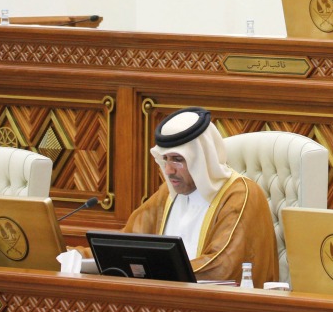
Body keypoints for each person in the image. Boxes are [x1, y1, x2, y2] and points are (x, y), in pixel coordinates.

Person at [111, 107, 278, 286]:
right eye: (165, 159)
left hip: (223, 309)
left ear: (201, 157)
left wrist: (156, 271)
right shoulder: (169, 194)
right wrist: (78, 255)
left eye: (177, 159)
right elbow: (128, 245)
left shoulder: (241, 194)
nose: (168, 170)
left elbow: (221, 267)